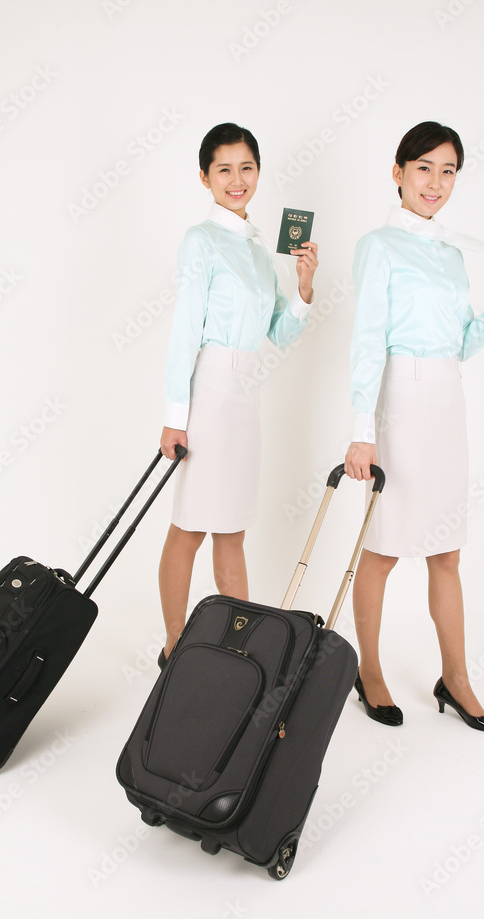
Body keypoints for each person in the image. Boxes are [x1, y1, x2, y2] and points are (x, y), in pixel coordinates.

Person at [344, 120, 484, 731]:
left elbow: (460, 343)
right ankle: (369, 672)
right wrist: (361, 430)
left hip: (448, 403)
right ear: (398, 173)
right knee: (383, 550)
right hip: (398, 404)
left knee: (447, 552)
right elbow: (367, 342)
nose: (435, 182)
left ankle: (456, 679)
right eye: (424, 168)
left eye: (448, 170)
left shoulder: (453, 254)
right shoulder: (378, 245)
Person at [157, 122, 318, 668]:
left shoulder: (258, 248)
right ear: (205, 177)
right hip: (209, 390)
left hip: (246, 393)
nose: (237, 179)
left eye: (246, 167)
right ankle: (175, 646)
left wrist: (303, 288)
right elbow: (185, 333)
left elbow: (280, 333)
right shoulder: (200, 240)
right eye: (224, 169)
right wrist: (175, 416)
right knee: (189, 527)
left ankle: (239, 652)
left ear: (258, 172)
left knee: (232, 529)